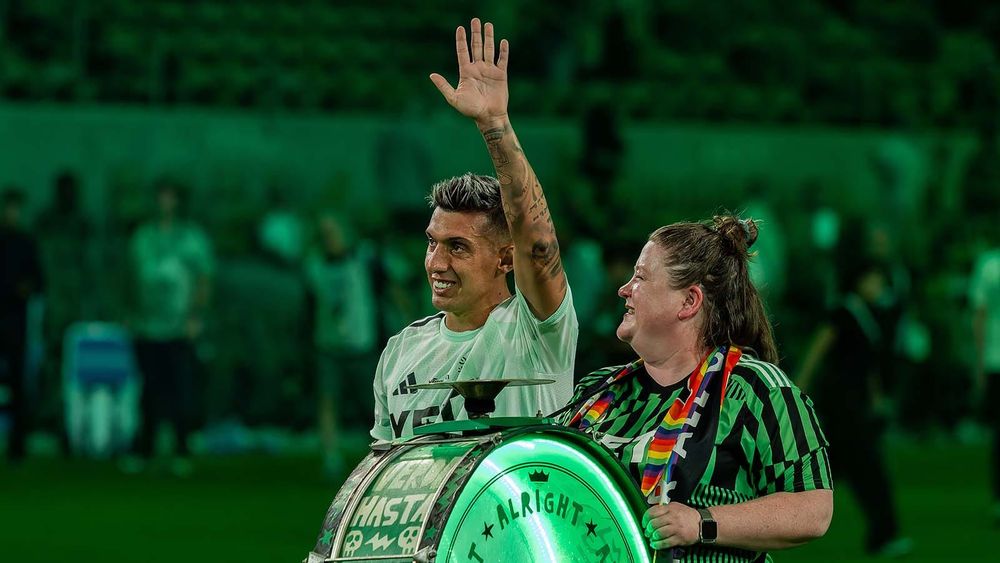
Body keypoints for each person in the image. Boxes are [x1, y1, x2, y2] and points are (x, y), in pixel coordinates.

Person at [561, 217, 832, 561]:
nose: (624, 289)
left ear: (689, 301)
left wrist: (700, 523)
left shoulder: (757, 389)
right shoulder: (596, 390)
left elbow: (813, 509)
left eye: (640, 277)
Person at [370, 18, 578, 442]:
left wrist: (493, 124)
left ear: (506, 258)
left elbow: (537, 243)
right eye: (432, 243)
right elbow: (385, 468)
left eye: (458, 247)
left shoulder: (536, 331)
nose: (437, 262)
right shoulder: (401, 351)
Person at [797, 228, 911, 557]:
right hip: (842, 403)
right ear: (859, 282)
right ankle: (884, 535)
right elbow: (819, 348)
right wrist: (798, 387)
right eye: (874, 280)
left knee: (831, 470)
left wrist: (876, 398)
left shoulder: (868, 315)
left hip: (856, 403)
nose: (880, 286)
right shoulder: (845, 311)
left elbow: (867, 364)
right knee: (870, 470)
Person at [125, 178, 214, 475]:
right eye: (161, 196)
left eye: (170, 196)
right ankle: (144, 448)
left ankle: (181, 449)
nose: (165, 202)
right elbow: (130, 278)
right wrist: (130, 313)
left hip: (179, 326)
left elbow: (204, 279)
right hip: (147, 326)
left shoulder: (192, 238)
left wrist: (196, 316)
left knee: (180, 389)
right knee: (148, 389)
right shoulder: (142, 237)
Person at [304, 212, 377, 475]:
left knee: (372, 403)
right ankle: (331, 455)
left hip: (361, 344)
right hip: (328, 345)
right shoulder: (314, 265)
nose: (329, 239)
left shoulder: (364, 259)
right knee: (327, 400)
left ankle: (379, 453)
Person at [1, 187, 44, 463]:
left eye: (17, 208)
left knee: (18, 382)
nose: (12, 213)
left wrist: (27, 288)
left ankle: (18, 443)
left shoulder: (27, 242)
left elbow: (39, 280)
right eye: (9, 208)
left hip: (16, 322)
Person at [970, 243, 1000, 524]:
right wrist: (980, 363)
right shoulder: (990, 265)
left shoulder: (989, 265)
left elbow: (979, 314)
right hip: (995, 360)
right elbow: (979, 315)